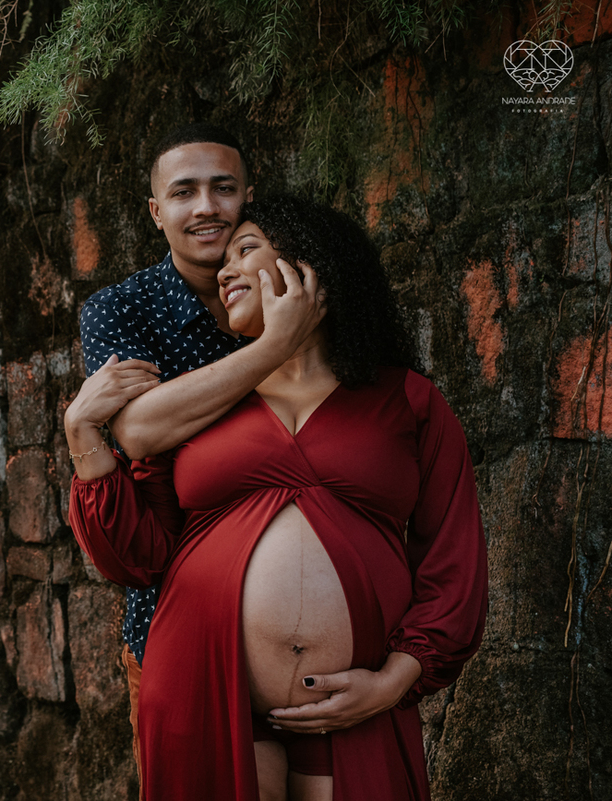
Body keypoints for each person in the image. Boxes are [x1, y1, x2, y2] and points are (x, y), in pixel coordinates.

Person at [65, 195, 489, 801]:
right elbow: (133, 558)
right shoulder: (201, 402)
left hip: (357, 703)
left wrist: (395, 681)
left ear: (309, 264)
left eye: (246, 250)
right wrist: (83, 437)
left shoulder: (410, 401)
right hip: (202, 686)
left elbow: (453, 561)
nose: (225, 270)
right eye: (224, 260)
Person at [76, 123, 326, 786]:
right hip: (178, 631)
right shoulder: (121, 310)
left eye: (223, 188)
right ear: (157, 212)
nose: (206, 207)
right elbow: (138, 431)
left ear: (249, 195)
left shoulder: (297, 289)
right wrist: (271, 348)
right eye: (184, 192)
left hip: (309, 646)